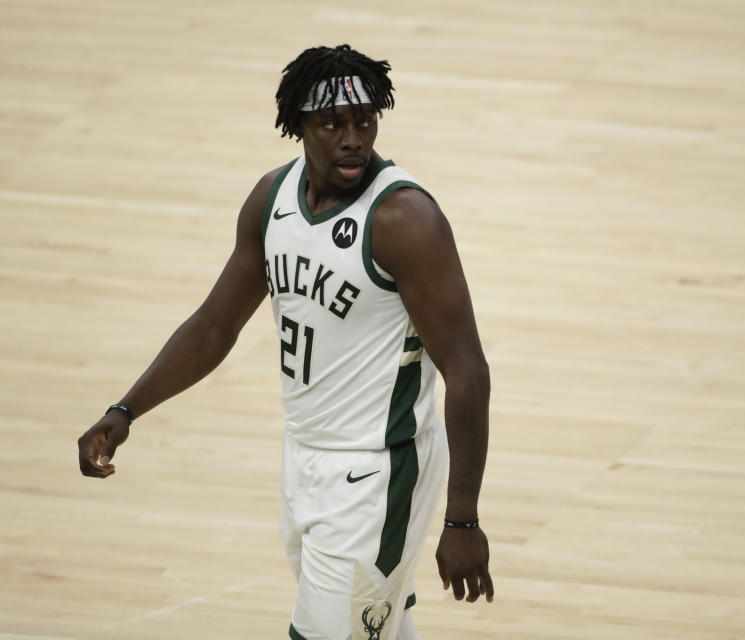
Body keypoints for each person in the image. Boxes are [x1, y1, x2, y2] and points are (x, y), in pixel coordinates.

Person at [77, 44, 493, 640]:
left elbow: (468, 370)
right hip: (304, 459)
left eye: (365, 120)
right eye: (333, 123)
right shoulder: (272, 200)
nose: (353, 138)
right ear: (297, 123)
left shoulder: (404, 220)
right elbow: (215, 326)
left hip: (378, 476)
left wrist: (462, 519)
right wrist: (126, 409)